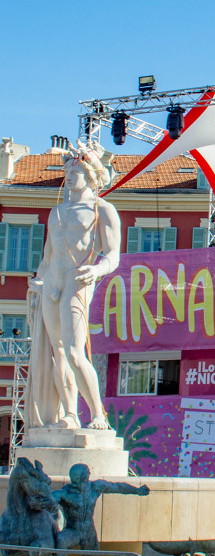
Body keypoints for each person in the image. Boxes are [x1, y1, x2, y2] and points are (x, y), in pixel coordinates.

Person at [28, 142, 121, 430]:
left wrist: (97, 270)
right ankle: (70, 414)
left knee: (73, 351)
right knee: (58, 353)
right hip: (51, 285)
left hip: (76, 282)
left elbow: (113, 254)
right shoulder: (55, 212)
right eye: (67, 171)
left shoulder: (102, 210)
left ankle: (96, 414)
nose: (68, 176)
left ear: (91, 175)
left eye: (76, 171)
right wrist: (38, 284)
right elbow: (48, 256)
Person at [54, 464, 149, 556]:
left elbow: (117, 486)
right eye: (87, 472)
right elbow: (49, 498)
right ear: (82, 477)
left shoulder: (95, 487)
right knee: (61, 540)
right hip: (73, 530)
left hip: (89, 531)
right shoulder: (65, 493)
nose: (89, 474)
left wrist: (136, 490)